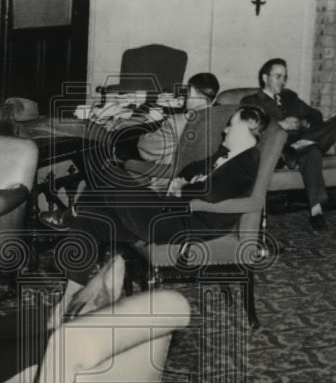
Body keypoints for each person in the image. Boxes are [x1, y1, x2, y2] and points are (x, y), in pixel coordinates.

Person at [39, 107, 269, 287]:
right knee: (91, 219)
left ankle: (72, 213)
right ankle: (73, 294)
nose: (226, 130)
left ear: (248, 129)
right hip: (167, 210)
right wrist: (183, 181)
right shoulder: (226, 154)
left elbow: (214, 193)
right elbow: (191, 168)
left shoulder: (245, 164)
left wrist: (184, 190)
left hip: (182, 223)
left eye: (232, 125)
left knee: (108, 172)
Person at [242, 59, 336, 232]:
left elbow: (316, 116)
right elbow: (251, 126)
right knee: (312, 152)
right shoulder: (252, 100)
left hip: (304, 139)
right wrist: (280, 124)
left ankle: (300, 146)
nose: (282, 81)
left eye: (285, 77)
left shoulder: (290, 96)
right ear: (265, 77)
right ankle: (316, 211)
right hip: (279, 145)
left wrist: (302, 122)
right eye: (278, 76)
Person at [133, 72, 221, 167]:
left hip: (167, 174)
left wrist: (144, 135)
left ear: (190, 93)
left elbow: (145, 150)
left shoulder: (178, 123)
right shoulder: (221, 117)